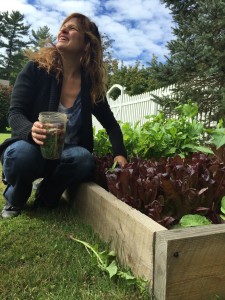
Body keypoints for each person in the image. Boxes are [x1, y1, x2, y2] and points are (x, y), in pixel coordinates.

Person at [0, 13, 127, 218]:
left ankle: (47, 195)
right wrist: (29, 129)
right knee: (20, 156)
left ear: (87, 44)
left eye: (72, 28)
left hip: (65, 158)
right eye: (63, 26)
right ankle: (16, 196)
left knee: (84, 159)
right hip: (31, 149)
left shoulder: (90, 86)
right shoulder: (36, 69)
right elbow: (15, 113)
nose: (63, 30)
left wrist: (120, 154)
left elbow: (111, 125)